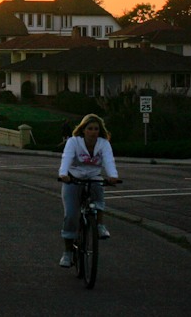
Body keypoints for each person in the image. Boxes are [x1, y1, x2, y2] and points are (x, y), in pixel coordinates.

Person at [57, 114, 121, 268]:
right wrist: (63, 174)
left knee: (98, 188)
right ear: (83, 130)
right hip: (73, 178)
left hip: (93, 176)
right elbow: (66, 157)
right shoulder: (73, 142)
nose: (93, 132)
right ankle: (67, 252)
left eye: (96, 129)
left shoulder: (103, 144)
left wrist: (113, 176)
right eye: (90, 129)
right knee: (71, 215)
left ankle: (99, 225)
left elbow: (108, 160)